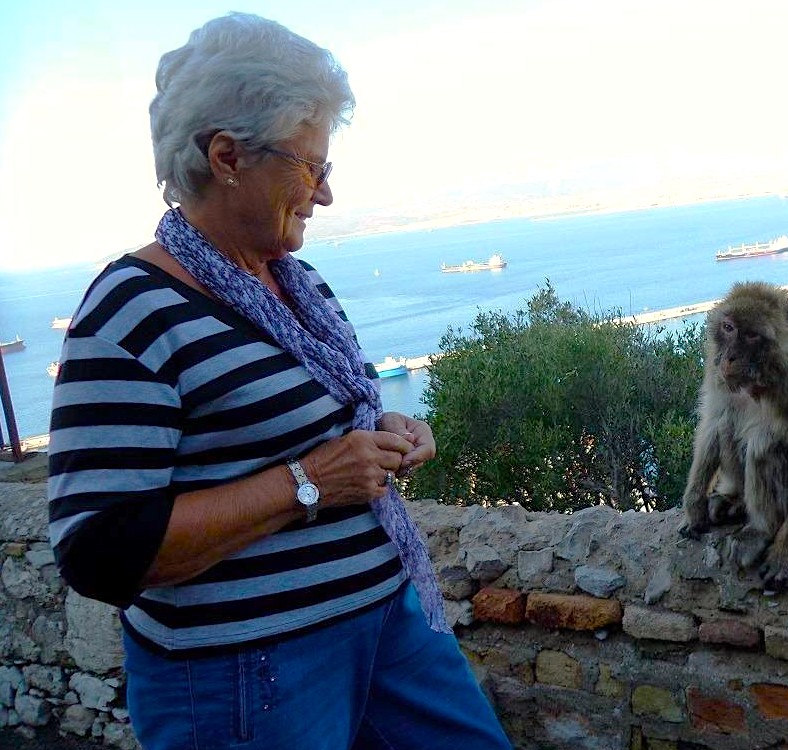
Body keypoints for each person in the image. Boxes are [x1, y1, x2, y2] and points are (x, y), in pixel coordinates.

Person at [46, 13, 511, 750]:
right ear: (227, 156)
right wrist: (309, 482)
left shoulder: (299, 284)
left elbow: (324, 430)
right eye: (310, 166)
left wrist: (389, 436)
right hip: (244, 671)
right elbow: (100, 552)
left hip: (388, 622)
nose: (324, 195)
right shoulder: (131, 308)